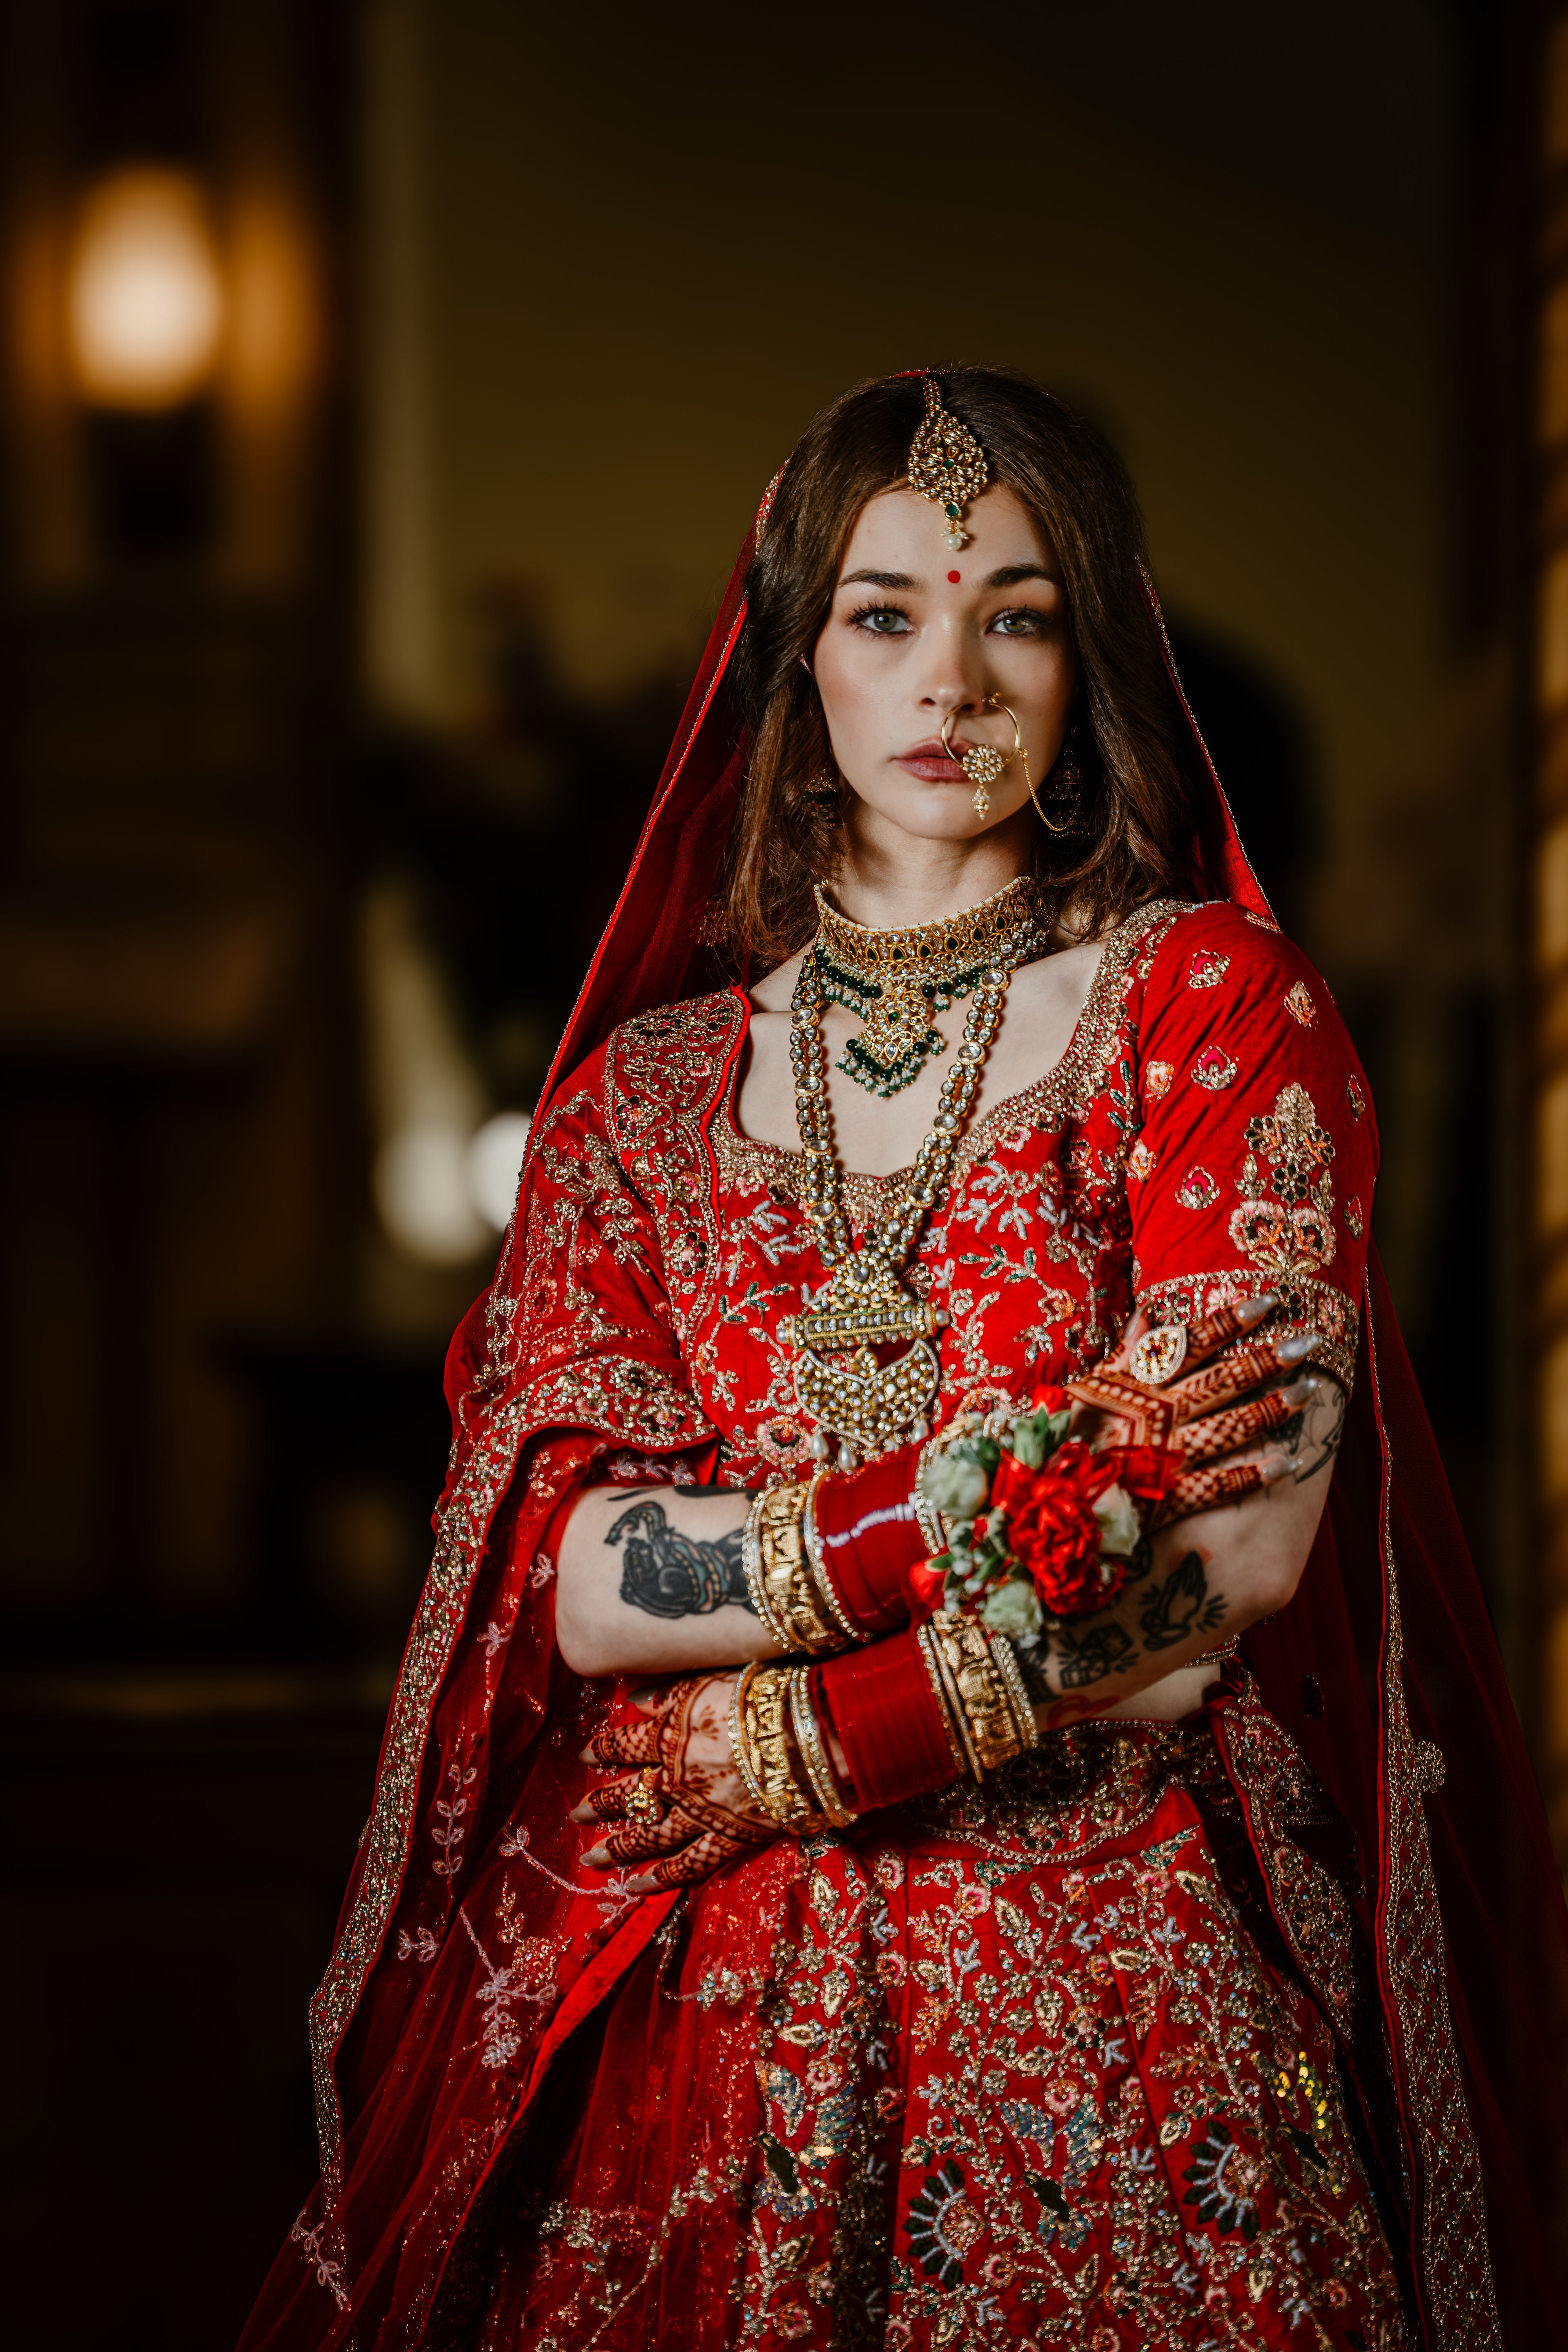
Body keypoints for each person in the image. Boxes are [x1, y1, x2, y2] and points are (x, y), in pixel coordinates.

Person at [240, 371, 1568, 2352]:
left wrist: (812, 1733)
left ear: (1090, 657)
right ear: (799, 669)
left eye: (1015, 613)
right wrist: (1020, 1496)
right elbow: (582, 1578)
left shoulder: (1212, 1013)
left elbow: (1241, 1553)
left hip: (1118, 1963)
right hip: (706, 1995)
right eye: (886, 614)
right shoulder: (643, 1106)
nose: (951, 676)